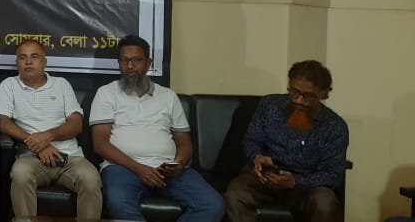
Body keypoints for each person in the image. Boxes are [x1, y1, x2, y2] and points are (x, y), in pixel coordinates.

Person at [90, 35, 223, 222]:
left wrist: (179, 164)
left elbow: (184, 143)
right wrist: (139, 169)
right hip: (123, 168)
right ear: (119, 63)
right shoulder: (106, 93)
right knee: (118, 202)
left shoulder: (168, 96)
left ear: (148, 63)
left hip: (167, 170)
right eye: (124, 61)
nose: (130, 66)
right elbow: (100, 144)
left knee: (212, 205)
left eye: (136, 60)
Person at [224, 60, 348, 222]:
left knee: (325, 204)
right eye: (294, 92)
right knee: (235, 195)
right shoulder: (269, 105)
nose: (298, 100)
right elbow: (251, 140)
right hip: (265, 177)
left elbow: (333, 174)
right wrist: (257, 156)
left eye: (307, 95)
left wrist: (295, 181)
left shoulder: (335, 126)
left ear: (323, 94)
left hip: (307, 185)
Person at [0, 39, 102, 222]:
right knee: (20, 175)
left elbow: (76, 124)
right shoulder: (9, 85)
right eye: (22, 57)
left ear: (44, 62)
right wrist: (39, 145)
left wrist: (48, 136)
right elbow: (3, 123)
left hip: (69, 158)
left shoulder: (61, 85)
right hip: (31, 158)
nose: (28, 62)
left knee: (91, 178)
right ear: (17, 63)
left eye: (34, 57)